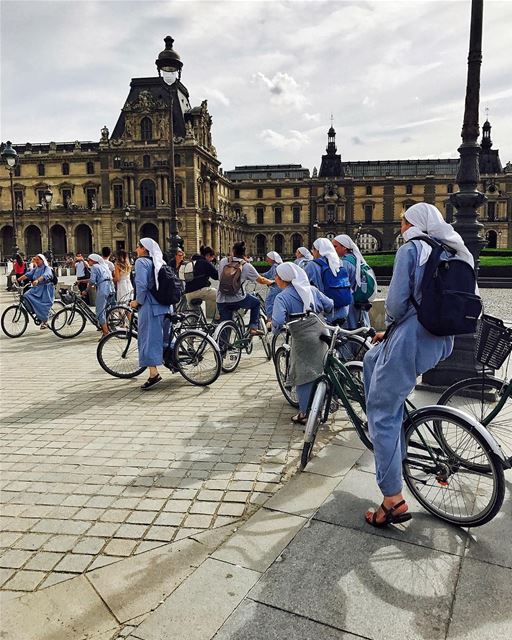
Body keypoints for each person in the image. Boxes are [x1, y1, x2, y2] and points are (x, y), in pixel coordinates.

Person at [362, 202, 471, 527]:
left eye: (404, 223)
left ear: (415, 224)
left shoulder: (413, 248)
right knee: (370, 358)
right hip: (442, 339)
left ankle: (392, 500)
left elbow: (395, 303)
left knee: (383, 414)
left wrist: (395, 325)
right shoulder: (455, 248)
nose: (402, 228)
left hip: (414, 338)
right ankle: (392, 431)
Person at [272, 262, 334, 425]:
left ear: (283, 279)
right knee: (322, 368)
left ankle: (305, 413)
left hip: (303, 338)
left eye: (276, 276)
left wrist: (276, 329)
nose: (275, 278)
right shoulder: (311, 290)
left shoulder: (282, 297)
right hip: (322, 331)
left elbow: (277, 321)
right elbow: (330, 304)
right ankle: (324, 403)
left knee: (303, 374)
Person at [129, 238, 170, 390]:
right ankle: (175, 362)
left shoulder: (141, 262)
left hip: (151, 307)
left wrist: (137, 302)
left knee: (148, 339)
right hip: (166, 306)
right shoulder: (160, 262)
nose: (136, 249)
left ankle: (153, 374)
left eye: (138, 246)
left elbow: (141, 285)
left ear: (144, 249)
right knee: (165, 338)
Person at [216, 241, 273, 335]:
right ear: (244, 253)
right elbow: (261, 280)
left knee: (225, 326)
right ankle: (253, 328)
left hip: (221, 299)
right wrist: (273, 282)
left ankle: (222, 347)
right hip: (238, 299)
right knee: (256, 303)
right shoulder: (246, 266)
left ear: (233, 251)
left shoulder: (223, 261)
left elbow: (219, 278)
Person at [304, 237, 350, 325]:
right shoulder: (339, 263)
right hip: (344, 310)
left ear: (318, 250)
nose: (312, 252)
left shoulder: (312, 265)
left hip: (326, 312)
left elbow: (302, 283)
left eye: (313, 250)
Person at [333, 234, 370, 329]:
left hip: (350, 303)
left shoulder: (345, 262)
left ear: (344, 247)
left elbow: (341, 284)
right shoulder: (356, 259)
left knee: (350, 332)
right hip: (360, 298)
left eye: (335, 246)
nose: (333, 249)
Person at [16, 254, 54, 329]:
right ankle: (36, 312)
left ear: (42, 260)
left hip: (45, 289)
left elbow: (45, 275)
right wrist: (18, 279)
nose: (36, 261)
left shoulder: (47, 268)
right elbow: (28, 275)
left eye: (38, 260)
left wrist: (37, 280)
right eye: (35, 260)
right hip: (37, 289)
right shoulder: (36, 268)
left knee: (42, 304)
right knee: (26, 295)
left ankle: (45, 321)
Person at [184, 245, 219, 321]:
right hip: (199, 291)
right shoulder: (205, 263)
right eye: (212, 257)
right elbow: (217, 276)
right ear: (208, 255)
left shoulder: (193, 261)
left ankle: (192, 331)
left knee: (195, 317)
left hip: (188, 293)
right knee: (221, 296)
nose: (212, 260)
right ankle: (218, 318)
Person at [84, 254, 115, 337]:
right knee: (107, 310)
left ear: (93, 261)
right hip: (111, 288)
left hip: (103, 289)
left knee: (100, 311)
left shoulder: (95, 267)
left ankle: (105, 332)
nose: (88, 261)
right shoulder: (103, 266)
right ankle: (107, 327)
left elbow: (92, 281)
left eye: (89, 260)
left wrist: (86, 290)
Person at [262, 251, 283, 321]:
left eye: (268, 258)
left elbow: (274, 278)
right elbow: (267, 274)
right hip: (278, 287)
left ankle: (270, 319)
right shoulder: (275, 265)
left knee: (269, 302)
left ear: (272, 258)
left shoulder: (275, 266)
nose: (266, 259)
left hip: (276, 288)